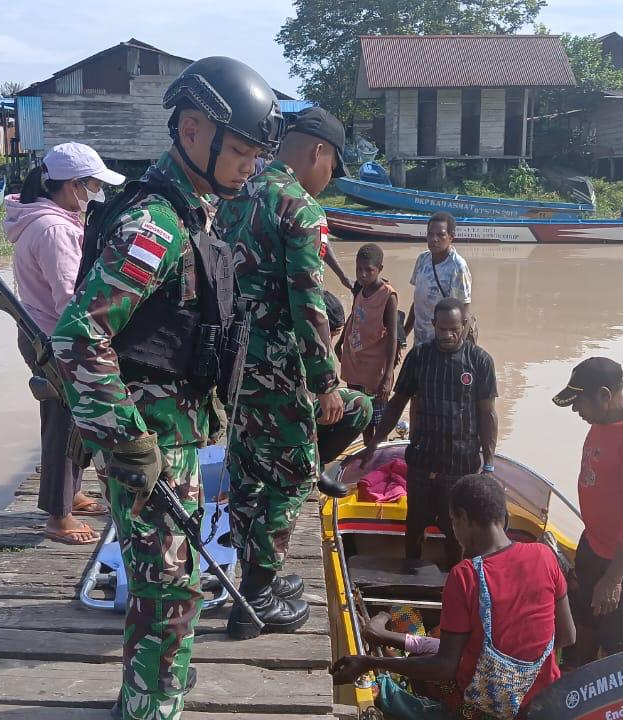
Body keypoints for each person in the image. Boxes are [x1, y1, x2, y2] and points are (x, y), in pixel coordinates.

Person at [52, 56, 282, 720]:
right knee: (167, 593)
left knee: (171, 590)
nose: (248, 165)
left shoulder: (196, 210)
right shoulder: (155, 225)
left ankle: (153, 695)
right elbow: (78, 337)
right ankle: (151, 709)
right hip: (147, 443)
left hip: (176, 438)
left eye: (254, 154)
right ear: (191, 131)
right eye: (239, 150)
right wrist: (126, 442)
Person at [217, 106, 373, 640]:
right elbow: (308, 301)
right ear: (318, 152)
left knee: (247, 473)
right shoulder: (299, 208)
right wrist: (326, 383)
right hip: (281, 370)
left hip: (235, 368)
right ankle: (255, 601)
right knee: (291, 477)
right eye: (333, 167)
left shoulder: (235, 196)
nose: (330, 180)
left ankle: (254, 577)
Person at [329, 474, 576, 719]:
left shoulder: (465, 575)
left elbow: (444, 667)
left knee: (421, 675)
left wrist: (370, 663)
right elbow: (568, 635)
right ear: (504, 517)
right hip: (544, 704)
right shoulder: (545, 556)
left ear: (463, 518)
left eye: (453, 521)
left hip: (483, 710)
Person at [5, 142, 125, 544]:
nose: (95, 193)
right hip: (57, 337)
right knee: (63, 422)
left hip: (44, 332)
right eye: (92, 185)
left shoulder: (47, 219)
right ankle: (58, 518)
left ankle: (70, 494)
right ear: (73, 185)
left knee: (70, 417)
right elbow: (69, 299)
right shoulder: (54, 229)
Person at [361, 297, 497, 569]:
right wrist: (375, 442)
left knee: (457, 532)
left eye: (454, 329)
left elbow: (488, 415)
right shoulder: (419, 356)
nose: (447, 334)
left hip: (460, 465)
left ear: (465, 325)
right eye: (441, 328)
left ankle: (453, 580)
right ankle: (411, 574)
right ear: (433, 324)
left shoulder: (480, 362)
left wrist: (489, 463)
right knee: (414, 527)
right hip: (422, 463)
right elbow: (397, 402)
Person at [552, 357, 623, 667]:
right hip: (595, 540)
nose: (576, 410)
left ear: (604, 395)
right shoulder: (601, 421)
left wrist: (614, 578)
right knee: (584, 612)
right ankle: (577, 667)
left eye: (580, 403)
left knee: (616, 629)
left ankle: (607, 682)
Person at [336, 243, 398, 447]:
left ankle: (377, 454)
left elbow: (393, 337)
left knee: (378, 419)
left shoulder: (388, 296)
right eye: (359, 269)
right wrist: (340, 342)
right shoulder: (359, 289)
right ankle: (365, 450)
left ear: (380, 269)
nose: (362, 274)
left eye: (368, 270)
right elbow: (354, 315)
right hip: (356, 361)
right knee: (360, 415)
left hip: (375, 369)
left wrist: (388, 376)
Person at [404, 212, 471, 348]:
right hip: (420, 343)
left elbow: (464, 314)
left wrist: (458, 351)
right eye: (430, 234)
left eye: (440, 235)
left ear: (451, 237)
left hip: (443, 344)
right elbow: (418, 302)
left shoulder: (457, 267)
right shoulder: (422, 259)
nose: (434, 239)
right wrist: (403, 335)